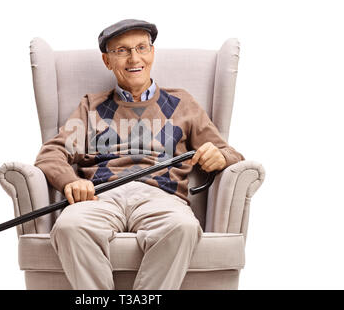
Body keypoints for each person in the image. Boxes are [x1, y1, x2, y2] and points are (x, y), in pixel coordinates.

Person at [34, 19, 244, 290]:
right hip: (102, 195)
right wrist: (69, 181)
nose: (134, 58)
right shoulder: (91, 107)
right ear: (107, 61)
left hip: (162, 196)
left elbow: (231, 153)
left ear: (152, 53)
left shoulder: (183, 103)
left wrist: (221, 157)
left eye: (141, 47)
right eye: (121, 51)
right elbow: (52, 153)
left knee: (183, 227)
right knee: (68, 226)